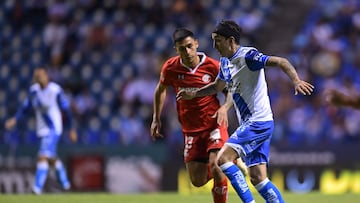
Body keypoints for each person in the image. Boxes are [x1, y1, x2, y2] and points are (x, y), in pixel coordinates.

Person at [176, 20, 314, 203]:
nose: (214, 45)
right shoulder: (225, 62)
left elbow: (281, 61)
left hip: (258, 122)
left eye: (217, 40)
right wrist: (193, 93)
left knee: (223, 159)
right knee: (258, 179)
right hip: (255, 124)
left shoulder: (248, 56)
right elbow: (217, 87)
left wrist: (296, 80)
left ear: (230, 40)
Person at [151, 28, 245, 203]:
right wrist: (156, 118)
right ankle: (229, 162)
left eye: (189, 46)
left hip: (213, 124)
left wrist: (225, 107)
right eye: (181, 49)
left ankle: (223, 163)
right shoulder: (171, 67)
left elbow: (231, 90)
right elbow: (160, 90)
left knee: (216, 165)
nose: (187, 52)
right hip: (191, 129)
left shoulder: (212, 66)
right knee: (197, 181)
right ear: (176, 49)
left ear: (196, 44)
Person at [5, 67, 77, 194]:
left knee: (42, 155)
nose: (39, 78)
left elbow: (66, 110)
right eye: (36, 76)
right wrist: (15, 119)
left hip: (54, 128)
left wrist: (71, 128)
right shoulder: (34, 92)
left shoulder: (55, 90)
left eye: (41, 75)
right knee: (51, 158)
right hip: (41, 129)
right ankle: (66, 184)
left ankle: (36, 189)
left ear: (46, 76)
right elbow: (25, 108)